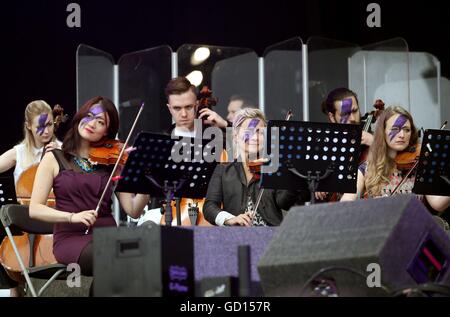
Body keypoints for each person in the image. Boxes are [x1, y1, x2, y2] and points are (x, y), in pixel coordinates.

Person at [29, 96, 150, 277]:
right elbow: (35, 209)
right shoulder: (54, 157)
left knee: (147, 254)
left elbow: (133, 210)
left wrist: (145, 178)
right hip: (71, 239)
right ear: (80, 116)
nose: (92, 123)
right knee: (114, 259)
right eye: (90, 115)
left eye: (100, 121)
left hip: (108, 235)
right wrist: (72, 217)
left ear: (106, 132)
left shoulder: (111, 161)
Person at [203, 108, 309, 226]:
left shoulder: (273, 167)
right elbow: (209, 207)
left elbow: (284, 203)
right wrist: (230, 219)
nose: (255, 137)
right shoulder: (223, 169)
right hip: (235, 237)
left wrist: (291, 174)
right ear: (236, 136)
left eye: (260, 132)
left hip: (270, 235)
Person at [0, 100, 60, 297]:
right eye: (40, 127)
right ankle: (13, 288)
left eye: (49, 125)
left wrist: (60, 158)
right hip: (24, 223)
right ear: (28, 126)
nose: (46, 131)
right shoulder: (19, 153)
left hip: (54, 220)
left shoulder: (63, 150)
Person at [340, 105, 450, 212]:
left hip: (416, 227)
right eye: (395, 129)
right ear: (383, 132)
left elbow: (438, 204)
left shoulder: (420, 166)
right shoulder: (366, 169)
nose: (402, 135)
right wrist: (371, 206)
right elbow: (345, 203)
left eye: (407, 130)